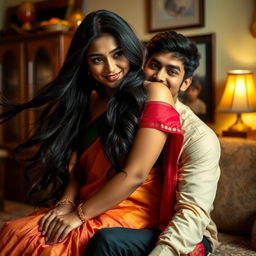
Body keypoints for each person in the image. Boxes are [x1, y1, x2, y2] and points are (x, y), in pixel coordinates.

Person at [0, 10, 185, 256]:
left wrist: (79, 215)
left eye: (117, 54)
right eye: (97, 59)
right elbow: (79, 170)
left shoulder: (154, 93)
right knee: (14, 232)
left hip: (132, 208)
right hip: (89, 202)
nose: (111, 68)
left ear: (129, 50)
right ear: (85, 64)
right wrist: (65, 205)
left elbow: (136, 174)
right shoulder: (91, 100)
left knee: (52, 248)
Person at [85, 31, 221, 256]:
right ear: (143, 67)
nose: (159, 76)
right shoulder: (126, 116)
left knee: (106, 241)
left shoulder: (199, 138)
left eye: (172, 71)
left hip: (183, 232)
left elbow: (191, 214)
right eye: (154, 65)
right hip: (133, 217)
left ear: (186, 83)